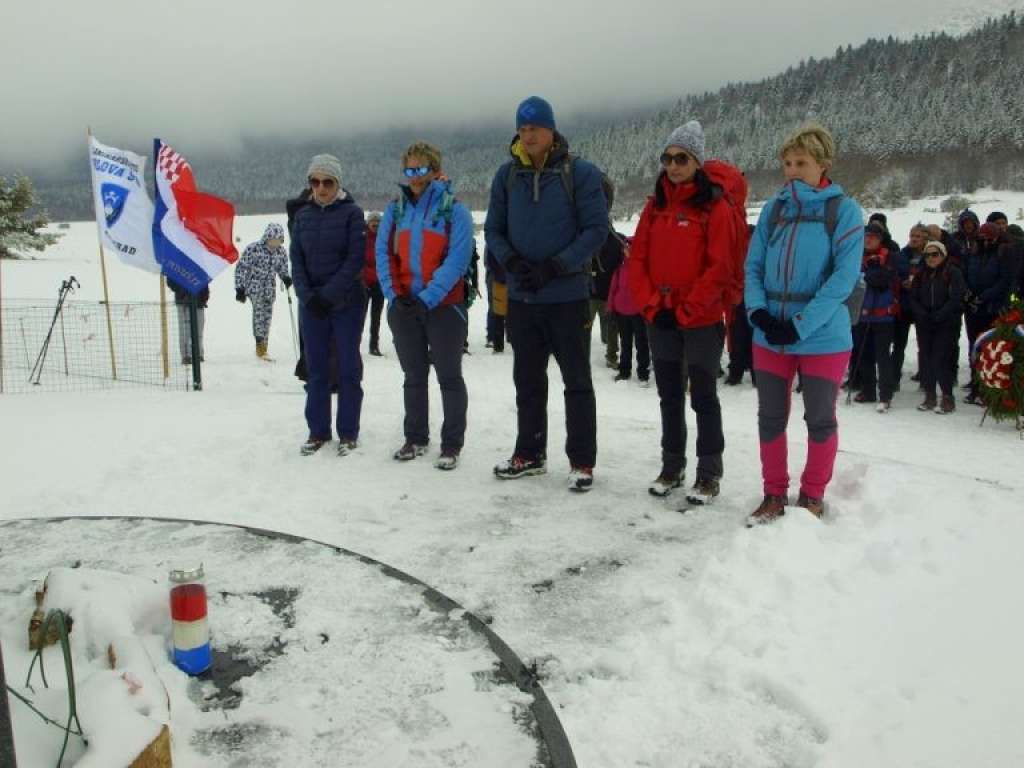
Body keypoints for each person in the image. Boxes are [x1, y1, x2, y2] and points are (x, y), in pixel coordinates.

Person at [485, 96, 608, 492]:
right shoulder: (507, 176)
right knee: (528, 381)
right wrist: (512, 262)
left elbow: (596, 230)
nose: (529, 134)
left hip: (568, 296)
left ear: (551, 129)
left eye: (535, 127)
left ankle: (582, 461)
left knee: (577, 381)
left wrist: (557, 264)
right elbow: (493, 230)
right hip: (524, 297)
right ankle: (530, 453)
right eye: (522, 128)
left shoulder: (581, 174)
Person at [744, 123, 863, 524]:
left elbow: (843, 280)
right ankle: (773, 493)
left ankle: (812, 495)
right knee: (771, 417)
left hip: (824, 337)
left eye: (802, 162)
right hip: (769, 335)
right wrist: (757, 312)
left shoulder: (843, 211)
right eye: (787, 163)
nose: (792, 170)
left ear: (823, 164)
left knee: (820, 418)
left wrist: (800, 325)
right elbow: (754, 266)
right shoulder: (774, 210)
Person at [626, 120, 739, 503]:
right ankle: (672, 465)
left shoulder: (715, 207)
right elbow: (637, 258)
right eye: (668, 158)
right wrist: (653, 305)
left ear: (697, 162)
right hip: (661, 318)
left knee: (703, 396)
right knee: (669, 395)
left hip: (701, 320)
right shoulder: (654, 207)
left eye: (681, 158)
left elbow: (719, 267)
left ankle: (709, 473)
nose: (672, 166)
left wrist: (687, 310)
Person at [376, 141, 472, 470]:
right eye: (409, 170)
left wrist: (427, 298)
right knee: (413, 375)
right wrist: (393, 294)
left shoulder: (453, 209)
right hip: (404, 306)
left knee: (449, 376)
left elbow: (457, 259)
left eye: (421, 169)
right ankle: (415, 437)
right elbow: (383, 254)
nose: (414, 177)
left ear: (434, 169)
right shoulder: (396, 209)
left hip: (445, 306)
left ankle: (452, 443)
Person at [289, 153, 366, 456]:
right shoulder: (303, 216)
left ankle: (348, 432)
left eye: (327, 182)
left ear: (338, 184)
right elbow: (296, 260)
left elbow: (354, 260)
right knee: (316, 369)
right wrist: (308, 296)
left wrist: (329, 295)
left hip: (346, 302)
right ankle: (317, 431)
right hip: (312, 305)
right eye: (315, 182)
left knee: (348, 368)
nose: (321, 188)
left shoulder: (352, 214)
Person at [909, 241, 965, 414]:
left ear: (943, 254)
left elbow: (956, 297)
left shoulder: (953, 272)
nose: (931, 258)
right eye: (928, 255)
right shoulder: (921, 274)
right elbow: (913, 297)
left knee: (940, 359)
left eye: (935, 254)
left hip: (946, 322)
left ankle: (948, 397)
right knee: (926, 358)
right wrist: (921, 314)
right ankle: (930, 395)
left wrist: (940, 315)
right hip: (925, 322)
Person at [963, 222, 1014, 405]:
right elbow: (966, 273)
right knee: (973, 347)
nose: (985, 243)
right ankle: (975, 386)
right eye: (981, 239)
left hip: (992, 307)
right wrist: (968, 294)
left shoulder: (1003, 253)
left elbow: (1005, 280)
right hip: (973, 307)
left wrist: (984, 296)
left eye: (988, 239)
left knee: (990, 349)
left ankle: (988, 389)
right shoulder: (973, 253)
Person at [852, 221, 899, 412]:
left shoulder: (890, 257)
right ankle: (868, 390)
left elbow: (882, 281)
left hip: (883, 316)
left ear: (880, 239)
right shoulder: (856, 256)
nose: (868, 239)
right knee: (864, 355)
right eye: (866, 236)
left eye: (872, 236)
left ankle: (885, 395)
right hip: (862, 314)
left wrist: (869, 272)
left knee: (882, 356)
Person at [235, 222, 292, 359]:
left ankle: (264, 345)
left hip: (269, 289)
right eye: (272, 239)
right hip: (254, 286)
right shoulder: (254, 249)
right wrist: (240, 288)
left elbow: (282, 268)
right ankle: (260, 345)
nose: (275, 243)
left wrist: (285, 277)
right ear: (267, 237)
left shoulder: (281, 252)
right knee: (259, 314)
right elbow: (241, 268)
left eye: (278, 240)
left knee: (267, 316)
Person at [587, 176, 622, 369]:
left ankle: (611, 356)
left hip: (605, 292)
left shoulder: (616, 241)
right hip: (597, 291)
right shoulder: (612, 241)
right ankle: (609, 356)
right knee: (596, 326)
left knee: (609, 329)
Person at [606, 238, 649, 384]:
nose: (627, 250)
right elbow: (613, 289)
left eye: (630, 248)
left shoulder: (643, 268)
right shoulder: (620, 268)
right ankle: (624, 371)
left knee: (641, 344)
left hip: (638, 313)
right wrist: (610, 307)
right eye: (625, 248)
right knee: (625, 343)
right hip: (621, 312)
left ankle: (643, 373)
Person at [897, 224, 930, 384]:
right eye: (912, 236)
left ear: (925, 238)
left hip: (922, 304)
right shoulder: (903, 253)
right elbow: (898, 272)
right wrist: (903, 281)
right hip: (904, 303)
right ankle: (894, 376)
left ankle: (925, 375)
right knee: (899, 343)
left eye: (918, 236)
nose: (914, 239)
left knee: (924, 343)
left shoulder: (931, 254)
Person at [725, 224, 757, 386]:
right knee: (743, 337)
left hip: (748, 299)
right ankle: (744, 373)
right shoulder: (736, 247)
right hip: (741, 300)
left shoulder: (755, 246)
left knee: (743, 337)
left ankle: (740, 373)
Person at [167, 277, 208, 365]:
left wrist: (204, 295)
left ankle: (198, 353)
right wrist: (183, 291)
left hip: (199, 301)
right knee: (185, 330)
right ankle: (186, 356)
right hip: (183, 301)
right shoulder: (176, 265)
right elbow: (170, 282)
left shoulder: (201, 265)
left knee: (199, 328)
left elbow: (205, 281)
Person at [363, 212, 385, 356]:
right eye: (373, 222)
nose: (375, 224)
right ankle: (353, 344)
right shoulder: (362, 238)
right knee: (359, 317)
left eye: (378, 222)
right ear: (368, 223)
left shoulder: (384, 239)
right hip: (363, 283)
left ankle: (374, 345)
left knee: (376, 317)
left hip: (379, 283)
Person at [484, 246, 508, 353]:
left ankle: (508, 336)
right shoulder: (493, 240)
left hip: (506, 276)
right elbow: (488, 261)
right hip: (495, 277)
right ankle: (493, 337)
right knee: (495, 308)